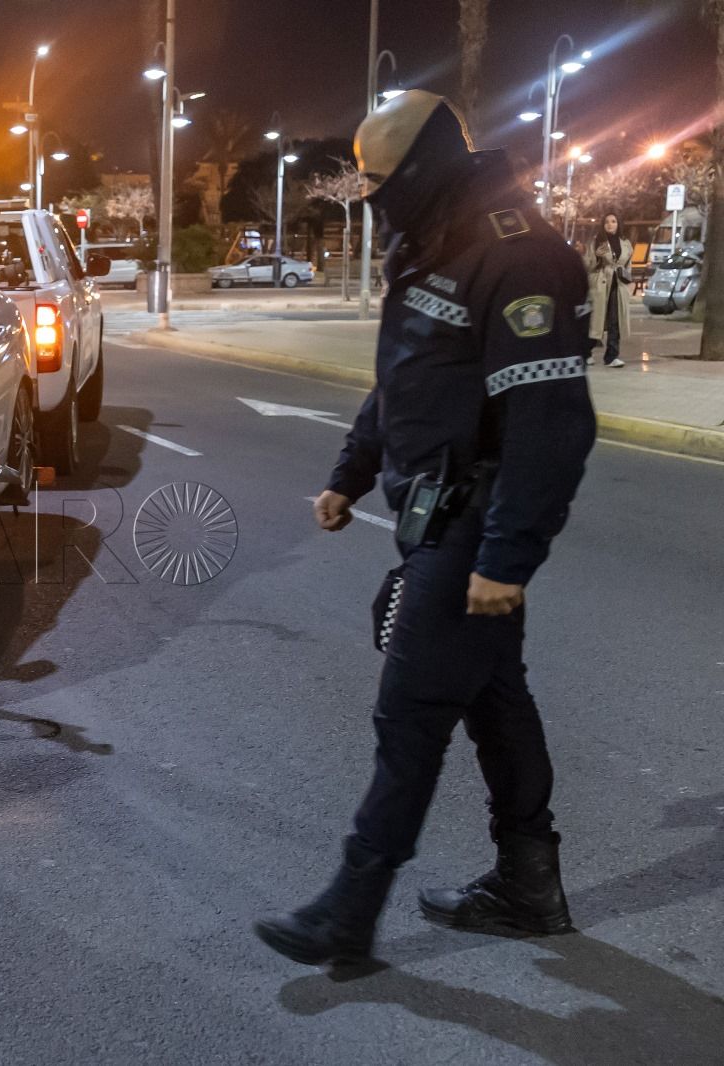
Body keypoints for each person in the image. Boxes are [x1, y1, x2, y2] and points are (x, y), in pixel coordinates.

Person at [252, 90, 597, 967]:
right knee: (495, 699)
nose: (374, 198)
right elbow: (407, 379)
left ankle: (349, 911)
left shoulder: (521, 257)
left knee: (408, 716)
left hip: (472, 527)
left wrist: (507, 557)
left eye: (384, 179)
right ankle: (529, 885)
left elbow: (551, 422)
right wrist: (351, 472)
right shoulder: (431, 240)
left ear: (429, 167)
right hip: (428, 512)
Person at [586, 213, 632, 368]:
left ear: (619, 224)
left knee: (615, 321)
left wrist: (627, 281)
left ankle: (612, 356)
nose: (610, 224)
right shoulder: (597, 241)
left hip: (618, 285)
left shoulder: (625, 243)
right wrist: (597, 256)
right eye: (606, 222)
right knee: (596, 320)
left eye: (613, 221)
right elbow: (587, 265)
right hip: (601, 283)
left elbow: (628, 265)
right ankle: (586, 352)